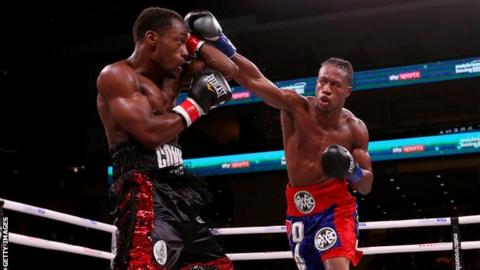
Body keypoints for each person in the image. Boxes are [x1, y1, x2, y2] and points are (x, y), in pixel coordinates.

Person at [184, 10, 374, 270]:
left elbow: (366, 185)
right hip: (298, 209)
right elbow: (253, 78)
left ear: (348, 91)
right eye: (322, 81)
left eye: (335, 85)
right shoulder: (295, 108)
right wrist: (219, 42)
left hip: (335, 207)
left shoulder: (355, 129)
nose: (326, 89)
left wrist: (351, 169)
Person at [96, 7, 238, 270]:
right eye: (178, 42)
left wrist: (195, 40)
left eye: (187, 44)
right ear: (152, 38)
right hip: (143, 187)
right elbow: (148, 134)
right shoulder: (117, 76)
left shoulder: (173, 75)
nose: (185, 52)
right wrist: (196, 104)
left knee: (218, 267)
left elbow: (228, 70)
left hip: (179, 191)